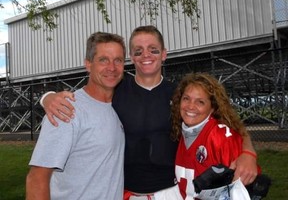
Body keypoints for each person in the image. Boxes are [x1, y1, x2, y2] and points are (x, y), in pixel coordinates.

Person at [40, 26, 258, 199]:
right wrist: (47, 97)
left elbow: (231, 125)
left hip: (170, 192)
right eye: (138, 51)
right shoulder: (116, 88)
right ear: (132, 58)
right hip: (123, 191)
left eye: (153, 49)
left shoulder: (180, 95)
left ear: (163, 54)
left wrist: (248, 154)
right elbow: (87, 96)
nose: (146, 55)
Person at [26, 32, 126, 200]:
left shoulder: (118, 105)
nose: (112, 67)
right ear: (88, 64)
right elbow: (37, 178)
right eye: (103, 60)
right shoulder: (67, 110)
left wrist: (45, 97)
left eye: (118, 60)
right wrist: (47, 98)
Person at [171, 72, 260, 199]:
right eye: (186, 98)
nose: (190, 106)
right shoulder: (180, 132)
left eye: (200, 102)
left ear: (212, 108)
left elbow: (241, 189)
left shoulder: (221, 137)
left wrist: (249, 154)